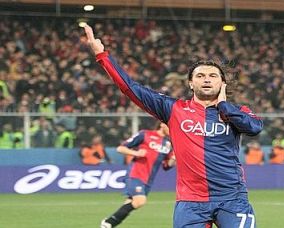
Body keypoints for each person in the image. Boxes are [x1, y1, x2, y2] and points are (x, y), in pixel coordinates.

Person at [84, 25, 263, 228]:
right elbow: (130, 88)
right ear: (190, 83)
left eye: (213, 76)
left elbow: (255, 127)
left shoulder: (236, 111)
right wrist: (102, 55)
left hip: (232, 198)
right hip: (190, 202)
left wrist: (223, 106)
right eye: (200, 76)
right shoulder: (173, 109)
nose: (206, 79)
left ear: (223, 83)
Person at [101, 121, 175, 227]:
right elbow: (120, 148)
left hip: (148, 179)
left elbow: (167, 166)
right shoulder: (145, 134)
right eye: (170, 126)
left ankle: (108, 224)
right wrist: (136, 153)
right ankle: (109, 223)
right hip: (136, 174)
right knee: (140, 200)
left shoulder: (169, 143)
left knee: (130, 202)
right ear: (162, 124)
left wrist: (174, 158)